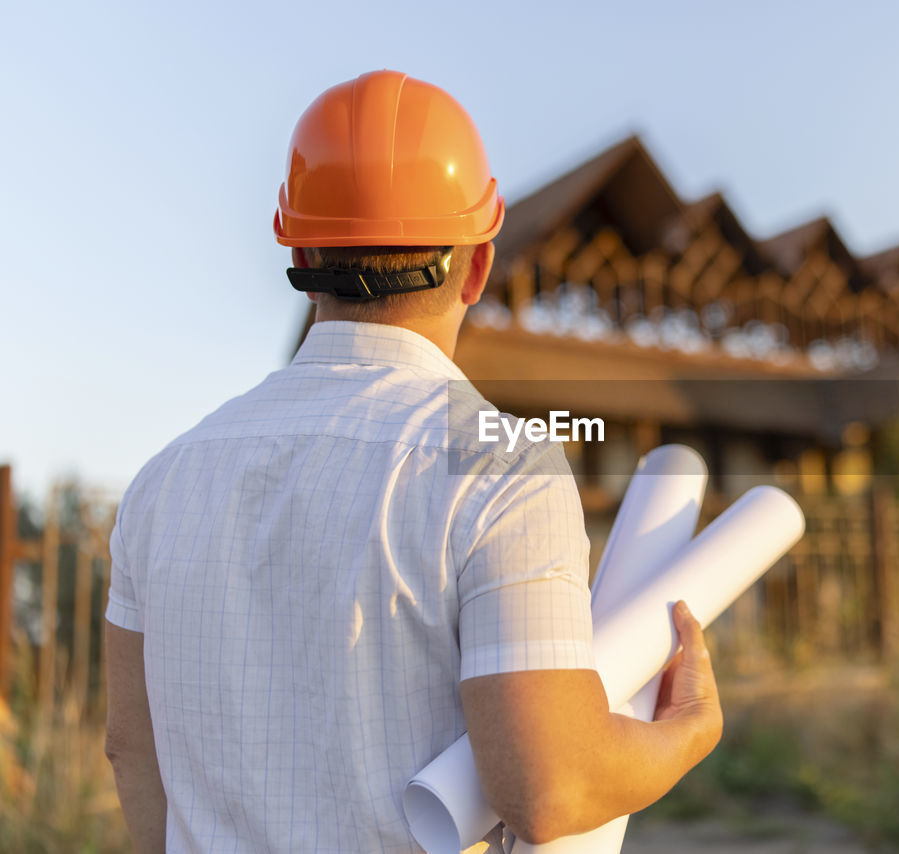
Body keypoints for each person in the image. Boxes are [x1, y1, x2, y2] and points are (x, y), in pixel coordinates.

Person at [103, 70, 722, 854]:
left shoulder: (163, 482)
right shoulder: (502, 469)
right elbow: (550, 787)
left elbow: (131, 747)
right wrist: (689, 730)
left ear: (297, 246)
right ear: (475, 265)